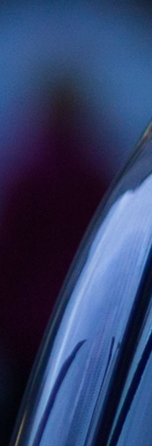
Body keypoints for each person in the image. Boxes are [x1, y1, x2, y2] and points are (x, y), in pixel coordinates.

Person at [0, 74, 114, 398]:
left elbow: (8, 253)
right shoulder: (93, 172)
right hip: (82, 319)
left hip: (27, 330)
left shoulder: (28, 173)